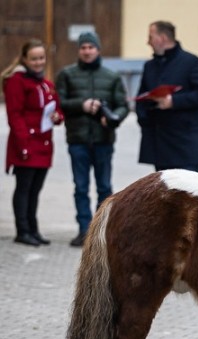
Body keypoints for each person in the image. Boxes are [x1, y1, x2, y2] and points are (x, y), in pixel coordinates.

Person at [55, 31, 129, 247]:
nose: (87, 51)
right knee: (80, 187)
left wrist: (113, 120)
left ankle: (102, 232)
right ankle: (84, 231)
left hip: (103, 140)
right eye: (83, 47)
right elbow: (59, 102)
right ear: (79, 50)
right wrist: (82, 105)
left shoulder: (111, 77)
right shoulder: (66, 75)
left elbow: (123, 105)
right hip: (77, 139)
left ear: (98, 49)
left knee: (104, 188)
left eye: (91, 47)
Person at [2, 39, 63, 246]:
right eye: (34, 59)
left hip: (43, 145)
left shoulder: (46, 83)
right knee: (24, 188)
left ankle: (33, 229)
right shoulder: (16, 81)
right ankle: (23, 230)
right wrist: (23, 144)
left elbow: (57, 108)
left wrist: (58, 117)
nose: (38, 62)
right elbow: (15, 116)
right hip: (25, 144)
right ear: (25, 59)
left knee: (35, 190)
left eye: (41, 58)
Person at [136, 21, 198, 172]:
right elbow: (141, 97)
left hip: (184, 144)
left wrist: (174, 101)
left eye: (151, 37)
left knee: (188, 193)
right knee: (163, 194)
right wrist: (143, 117)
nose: (148, 42)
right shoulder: (150, 66)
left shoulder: (192, 62)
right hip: (159, 143)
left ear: (162, 38)